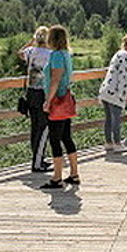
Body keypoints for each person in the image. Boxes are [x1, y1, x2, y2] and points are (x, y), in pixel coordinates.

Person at [40, 25, 80, 189]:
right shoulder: (66, 54)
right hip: (66, 100)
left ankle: (57, 177)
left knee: (55, 139)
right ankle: (74, 173)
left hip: (58, 101)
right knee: (66, 137)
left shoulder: (56, 55)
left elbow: (55, 80)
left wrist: (48, 101)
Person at [17, 26, 53, 173]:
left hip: (30, 94)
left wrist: (30, 42)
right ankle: (37, 163)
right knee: (43, 128)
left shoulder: (30, 51)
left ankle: (38, 159)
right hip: (43, 94)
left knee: (34, 128)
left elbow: (19, 53)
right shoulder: (50, 54)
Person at [98, 35, 127, 152]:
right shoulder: (125, 56)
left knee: (108, 119)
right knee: (116, 119)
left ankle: (108, 142)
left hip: (106, 91)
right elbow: (123, 77)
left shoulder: (118, 54)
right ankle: (117, 144)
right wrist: (122, 95)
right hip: (115, 92)